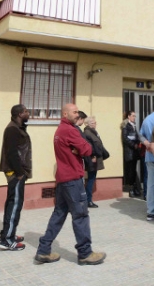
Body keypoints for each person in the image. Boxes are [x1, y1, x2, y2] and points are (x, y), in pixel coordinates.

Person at [35, 104, 105, 265]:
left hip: (62, 179)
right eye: (74, 112)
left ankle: (44, 249)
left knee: (59, 213)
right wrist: (80, 148)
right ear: (65, 113)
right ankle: (85, 253)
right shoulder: (71, 130)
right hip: (73, 180)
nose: (77, 114)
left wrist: (77, 149)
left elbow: (80, 149)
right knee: (80, 215)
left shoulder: (60, 130)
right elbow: (87, 150)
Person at [0, 104, 32, 251]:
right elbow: (11, 153)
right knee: (15, 204)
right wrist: (19, 173)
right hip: (15, 173)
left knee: (12, 203)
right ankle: (7, 240)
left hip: (17, 172)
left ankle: (7, 233)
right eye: (25, 112)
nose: (28, 113)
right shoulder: (12, 129)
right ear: (19, 114)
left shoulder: (17, 128)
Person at [83, 116, 106, 208]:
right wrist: (93, 155)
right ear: (88, 124)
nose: (95, 124)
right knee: (91, 179)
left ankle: (88, 200)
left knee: (92, 179)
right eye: (93, 123)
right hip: (92, 159)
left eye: (95, 122)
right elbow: (90, 146)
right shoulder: (87, 133)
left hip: (96, 158)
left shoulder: (93, 132)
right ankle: (88, 200)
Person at [121, 111, 142, 198]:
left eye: (135, 116)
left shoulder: (133, 125)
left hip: (134, 152)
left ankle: (135, 188)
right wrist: (134, 145)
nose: (134, 117)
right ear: (129, 116)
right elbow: (125, 138)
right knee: (130, 171)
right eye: (133, 116)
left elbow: (136, 136)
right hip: (129, 152)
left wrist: (138, 142)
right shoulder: (126, 126)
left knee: (133, 171)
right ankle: (130, 189)